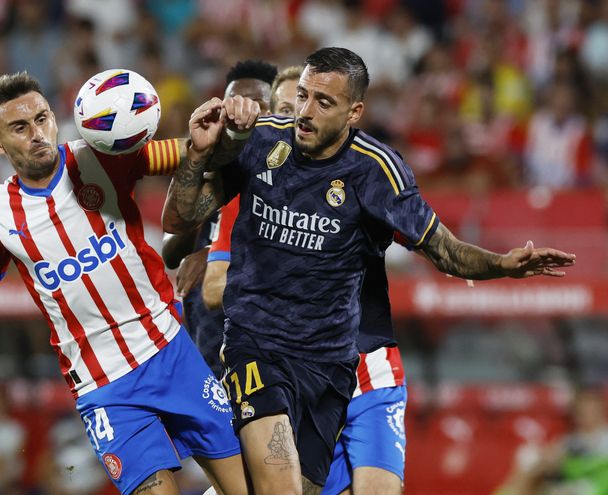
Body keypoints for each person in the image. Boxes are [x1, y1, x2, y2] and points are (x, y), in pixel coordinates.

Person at [162, 47, 576, 494]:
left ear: (354, 112)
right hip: (257, 348)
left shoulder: (377, 173)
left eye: (323, 102)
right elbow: (178, 221)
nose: (304, 112)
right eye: (302, 95)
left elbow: (443, 249)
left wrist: (501, 265)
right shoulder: (263, 142)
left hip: (330, 367)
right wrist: (197, 155)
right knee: (279, 487)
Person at [0, 71, 251, 495]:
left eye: (42, 118)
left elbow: (190, 154)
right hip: (104, 387)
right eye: (20, 127)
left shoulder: (101, 155)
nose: (37, 134)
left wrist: (214, 141)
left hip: (170, 352)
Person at [203, 64, 409, 495]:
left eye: (298, 107)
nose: (292, 122)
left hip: (363, 362)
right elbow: (211, 286)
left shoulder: (363, 176)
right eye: (283, 110)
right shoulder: (249, 196)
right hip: (289, 366)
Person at [161, 59, 278, 378]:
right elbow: (171, 243)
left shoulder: (290, 167)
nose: (242, 112)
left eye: (255, 105)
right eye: (234, 104)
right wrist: (197, 156)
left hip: (263, 330)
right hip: (208, 330)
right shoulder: (225, 167)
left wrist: (211, 256)